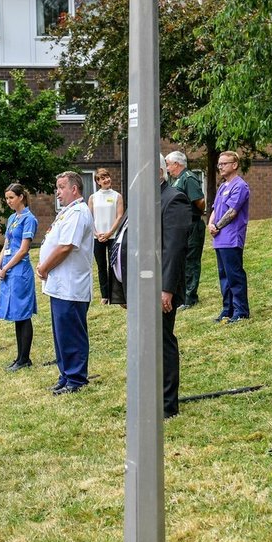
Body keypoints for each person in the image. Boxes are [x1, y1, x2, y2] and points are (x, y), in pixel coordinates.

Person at [111, 165, 192, 418]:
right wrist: (121, 290)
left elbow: (174, 248)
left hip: (158, 289)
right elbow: (123, 242)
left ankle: (167, 404)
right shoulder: (140, 201)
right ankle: (148, 398)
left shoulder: (173, 199)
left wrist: (166, 288)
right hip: (137, 287)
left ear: (158, 172)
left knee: (161, 342)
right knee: (144, 344)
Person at [37, 171, 95, 395]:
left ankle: (76, 378)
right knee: (61, 333)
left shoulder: (79, 212)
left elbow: (65, 246)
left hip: (71, 285)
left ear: (74, 189)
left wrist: (44, 267)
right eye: (57, 187)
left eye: (61, 187)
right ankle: (65, 374)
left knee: (71, 333)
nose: (57, 192)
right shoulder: (67, 212)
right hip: (60, 285)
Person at [0, 184, 39, 371]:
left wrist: (5, 267)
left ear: (21, 197)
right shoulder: (12, 218)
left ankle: (25, 358)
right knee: (16, 314)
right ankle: (19, 357)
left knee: (23, 314)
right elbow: (6, 243)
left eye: (11, 197)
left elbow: (23, 250)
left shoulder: (29, 219)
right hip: (8, 269)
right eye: (6, 198)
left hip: (19, 270)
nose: (8, 201)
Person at [208, 151, 250, 323]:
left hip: (231, 238)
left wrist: (217, 226)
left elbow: (232, 212)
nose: (220, 167)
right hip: (219, 239)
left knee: (234, 275)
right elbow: (215, 210)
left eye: (224, 163)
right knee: (223, 276)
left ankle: (241, 310)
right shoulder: (223, 186)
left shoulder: (240, 186)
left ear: (234, 165)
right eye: (219, 164)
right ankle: (228, 309)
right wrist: (210, 224)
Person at [165, 151, 206, 310]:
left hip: (192, 224)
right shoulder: (177, 180)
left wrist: (193, 214)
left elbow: (199, 201)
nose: (167, 168)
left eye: (168, 164)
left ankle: (190, 297)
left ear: (177, 164)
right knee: (182, 260)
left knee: (191, 261)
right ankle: (183, 295)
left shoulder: (188, 178)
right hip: (182, 225)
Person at [88, 168, 124, 304]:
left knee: (113, 265)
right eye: (103, 178)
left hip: (112, 236)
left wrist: (109, 233)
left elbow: (119, 216)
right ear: (98, 181)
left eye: (107, 177)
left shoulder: (117, 196)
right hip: (97, 237)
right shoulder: (93, 198)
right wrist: (96, 233)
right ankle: (105, 295)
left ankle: (114, 294)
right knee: (101, 266)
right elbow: (89, 218)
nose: (106, 180)